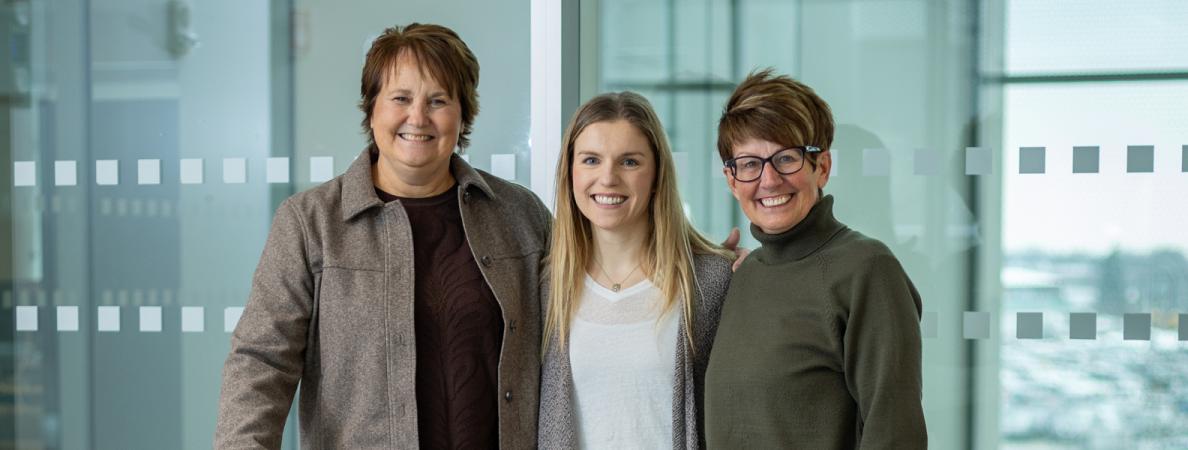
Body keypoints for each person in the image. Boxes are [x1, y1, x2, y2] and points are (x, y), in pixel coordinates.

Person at [214, 23, 550, 449]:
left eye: (439, 101)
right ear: (371, 110)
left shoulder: (521, 217)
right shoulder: (310, 222)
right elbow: (261, 362)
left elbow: (565, 354)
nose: (418, 117)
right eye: (400, 98)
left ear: (463, 114)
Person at [703, 69, 927, 448]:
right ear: (731, 179)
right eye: (749, 164)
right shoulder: (740, 276)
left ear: (821, 167)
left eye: (786, 158)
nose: (769, 180)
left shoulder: (867, 269)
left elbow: (895, 435)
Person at [538, 92, 733, 449]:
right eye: (591, 160)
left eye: (629, 162)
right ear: (570, 174)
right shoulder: (548, 287)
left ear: (657, 174)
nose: (608, 178)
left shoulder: (709, 281)